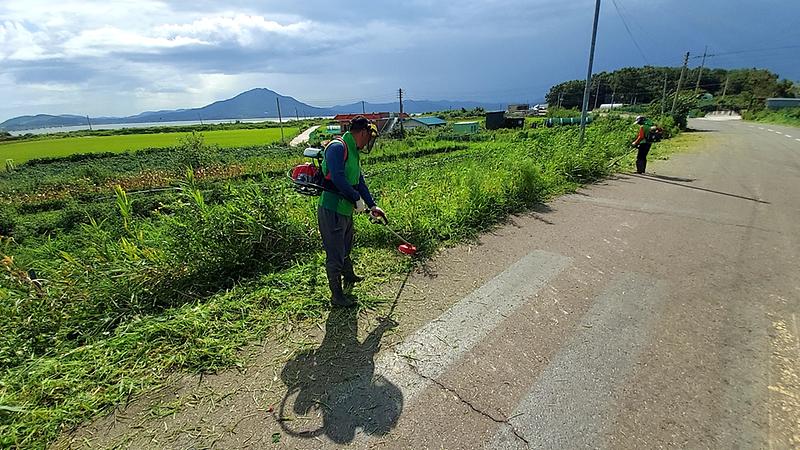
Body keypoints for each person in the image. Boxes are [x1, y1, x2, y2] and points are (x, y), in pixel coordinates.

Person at [318, 116, 386, 307]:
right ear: (362, 132)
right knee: (335, 253)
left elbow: (359, 180)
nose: (368, 142)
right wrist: (356, 198)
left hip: (345, 209)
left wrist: (372, 205)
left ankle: (348, 276)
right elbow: (338, 178)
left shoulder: (353, 151)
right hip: (332, 209)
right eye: (369, 137)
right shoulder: (337, 147)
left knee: (347, 246)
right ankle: (337, 296)